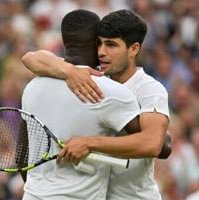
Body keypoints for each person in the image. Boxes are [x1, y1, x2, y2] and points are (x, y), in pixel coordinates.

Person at [22, 10, 170, 200]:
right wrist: (69, 71)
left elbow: (154, 144)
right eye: (99, 43)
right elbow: (30, 58)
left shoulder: (150, 89)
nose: (102, 52)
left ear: (133, 49)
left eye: (111, 45)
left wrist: (90, 143)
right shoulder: (90, 77)